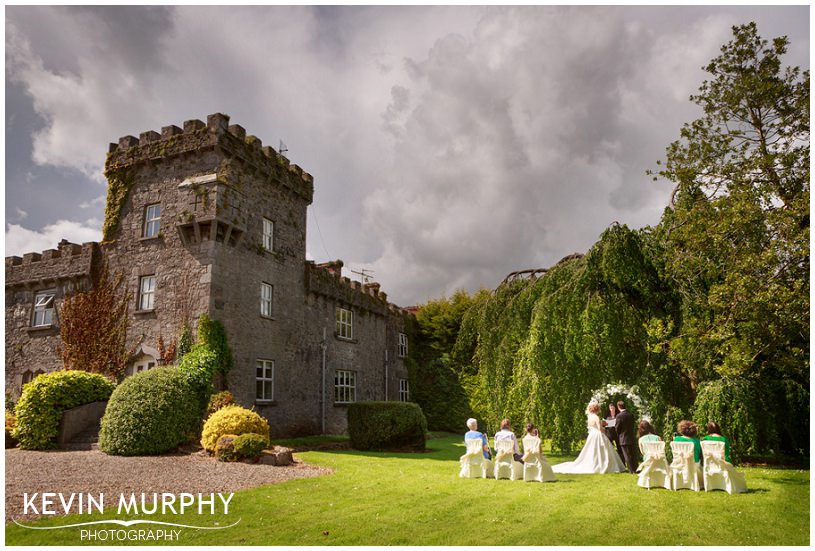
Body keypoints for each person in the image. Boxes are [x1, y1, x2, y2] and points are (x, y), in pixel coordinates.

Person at [552, 402, 626, 474]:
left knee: (592, 450)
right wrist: (605, 429)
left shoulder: (590, 417)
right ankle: (601, 464)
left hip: (592, 435)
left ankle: (595, 463)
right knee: (603, 450)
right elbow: (599, 428)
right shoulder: (596, 417)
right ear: (597, 409)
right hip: (598, 435)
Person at [615, 400, 638, 474]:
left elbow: (617, 427)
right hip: (631, 436)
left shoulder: (619, 416)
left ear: (618, 407)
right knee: (633, 454)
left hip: (623, 437)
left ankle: (631, 470)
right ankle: (635, 468)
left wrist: (618, 434)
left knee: (627, 455)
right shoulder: (630, 414)